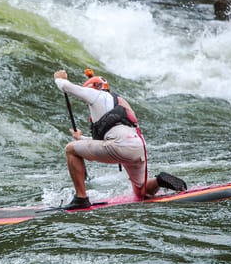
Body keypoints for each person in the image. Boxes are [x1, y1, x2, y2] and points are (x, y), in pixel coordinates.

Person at [53, 68, 187, 209]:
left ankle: (81, 198)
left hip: (119, 146)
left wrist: (59, 78)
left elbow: (66, 87)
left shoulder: (96, 95)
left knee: (70, 149)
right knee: (142, 192)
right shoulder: (118, 103)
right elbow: (104, 139)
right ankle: (159, 180)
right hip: (138, 147)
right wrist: (81, 138)